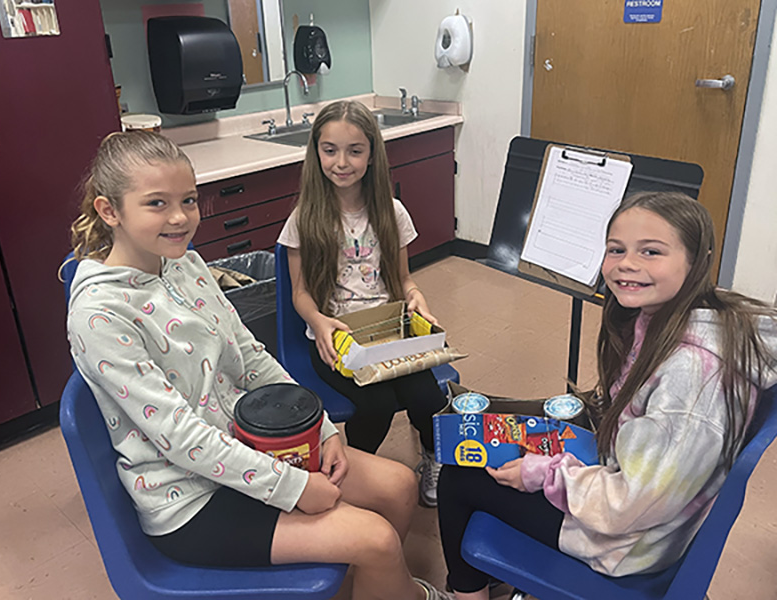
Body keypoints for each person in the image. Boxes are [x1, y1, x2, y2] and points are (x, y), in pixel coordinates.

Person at [65, 131, 453, 600]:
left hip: (250, 448)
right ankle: (392, 581)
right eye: (156, 204)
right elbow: (181, 438)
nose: (179, 218)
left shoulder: (185, 265)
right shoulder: (99, 315)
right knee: (376, 539)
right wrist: (292, 487)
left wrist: (323, 428)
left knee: (398, 486)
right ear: (110, 211)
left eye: (188, 200)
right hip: (189, 498)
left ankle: (369, 585)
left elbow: (249, 357)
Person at [437, 191, 777, 599]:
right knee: (516, 440)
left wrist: (543, 474)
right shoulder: (681, 317)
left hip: (629, 542)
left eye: (651, 251)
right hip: (636, 495)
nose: (627, 264)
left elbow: (628, 505)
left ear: (697, 261)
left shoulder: (690, 378)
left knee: (459, 478)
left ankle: (467, 592)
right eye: (616, 249)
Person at [276, 100, 448, 507]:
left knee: (428, 397)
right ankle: (357, 471)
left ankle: (432, 457)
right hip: (336, 339)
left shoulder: (392, 213)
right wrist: (318, 321)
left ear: (372, 155)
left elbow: (404, 280)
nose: (341, 162)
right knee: (376, 402)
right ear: (316, 152)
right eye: (330, 149)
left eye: (355, 150)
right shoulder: (304, 219)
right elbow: (299, 293)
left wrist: (416, 298)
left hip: (388, 333)